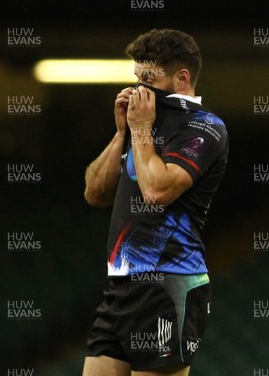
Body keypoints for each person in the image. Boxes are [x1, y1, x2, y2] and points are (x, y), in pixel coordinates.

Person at [82, 29, 229, 376]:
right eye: (136, 78)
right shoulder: (140, 126)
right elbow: (95, 193)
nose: (139, 89)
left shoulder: (204, 127)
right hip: (121, 287)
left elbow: (157, 192)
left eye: (149, 79)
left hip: (169, 285)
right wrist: (122, 133)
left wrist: (141, 129)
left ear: (181, 79)